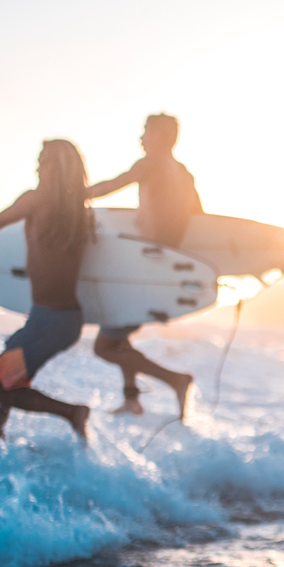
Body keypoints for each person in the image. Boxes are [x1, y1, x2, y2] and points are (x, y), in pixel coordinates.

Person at [0, 140, 94, 443]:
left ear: (55, 166)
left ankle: (72, 414)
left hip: (55, 322)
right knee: (4, 365)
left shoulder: (38, 200)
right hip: (53, 318)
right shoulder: (77, 209)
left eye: (42, 161)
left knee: (0, 385)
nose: (37, 167)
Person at [83, 113, 200, 417]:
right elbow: (201, 221)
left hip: (144, 266)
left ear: (159, 136)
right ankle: (132, 399)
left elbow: (112, 185)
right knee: (118, 334)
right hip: (161, 266)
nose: (141, 138)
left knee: (104, 347)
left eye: (145, 132)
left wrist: (71, 195)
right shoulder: (183, 173)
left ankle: (176, 380)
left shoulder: (150, 164)